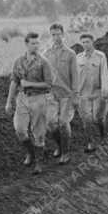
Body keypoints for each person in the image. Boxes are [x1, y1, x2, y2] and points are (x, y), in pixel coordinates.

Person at [6, 32, 55, 174]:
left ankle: (39, 163)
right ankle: (31, 152)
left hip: (39, 98)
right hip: (22, 98)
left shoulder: (43, 62)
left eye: (37, 43)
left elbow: (49, 84)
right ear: (26, 44)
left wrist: (29, 84)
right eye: (33, 43)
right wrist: (9, 102)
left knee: (38, 132)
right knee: (20, 130)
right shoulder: (18, 61)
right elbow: (14, 82)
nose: (36, 46)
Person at [44, 23, 80, 165]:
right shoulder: (46, 53)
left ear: (63, 34)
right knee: (50, 124)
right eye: (53, 35)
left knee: (63, 123)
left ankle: (65, 152)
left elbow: (75, 76)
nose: (56, 37)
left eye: (58, 34)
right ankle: (59, 146)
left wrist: (76, 95)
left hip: (66, 94)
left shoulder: (70, 54)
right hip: (51, 94)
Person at [75, 33, 108, 153]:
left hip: (97, 92)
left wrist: (105, 89)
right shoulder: (78, 58)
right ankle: (90, 142)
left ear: (92, 42)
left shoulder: (100, 56)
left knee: (98, 118)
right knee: (86, 120)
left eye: (87, 42)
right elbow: (75, 76)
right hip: (83, 94)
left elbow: (104, 73)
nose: (85, 44)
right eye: (83, 42)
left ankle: (103, 136)